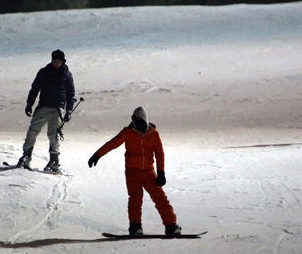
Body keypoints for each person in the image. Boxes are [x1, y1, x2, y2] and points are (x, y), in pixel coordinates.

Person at [87, 106, 181, 236]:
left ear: (145, 121)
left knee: (160, 197)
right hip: (132, 172)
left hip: (148, 171)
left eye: (140, 121)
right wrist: (97, 155)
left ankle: (171, 225)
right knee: (135, 199)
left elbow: (159, 153)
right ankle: (135, 226)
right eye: (136, 121)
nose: (138, 124)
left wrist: (161, 172)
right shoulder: (128, 132)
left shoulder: (153, 134)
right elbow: (112, 143)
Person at [17, 50, 75, 172]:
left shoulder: (66, 75)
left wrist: (69, 110)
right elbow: (35, 88)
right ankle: (26, 155)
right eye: (54, 60)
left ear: (63, 61)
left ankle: (54, 160)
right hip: (44, 105)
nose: (56, 63)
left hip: (58, 108)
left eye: (58, 61)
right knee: (33, 131)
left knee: (53, 134)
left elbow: (70, 94)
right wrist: (29, 104)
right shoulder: (44, 72)